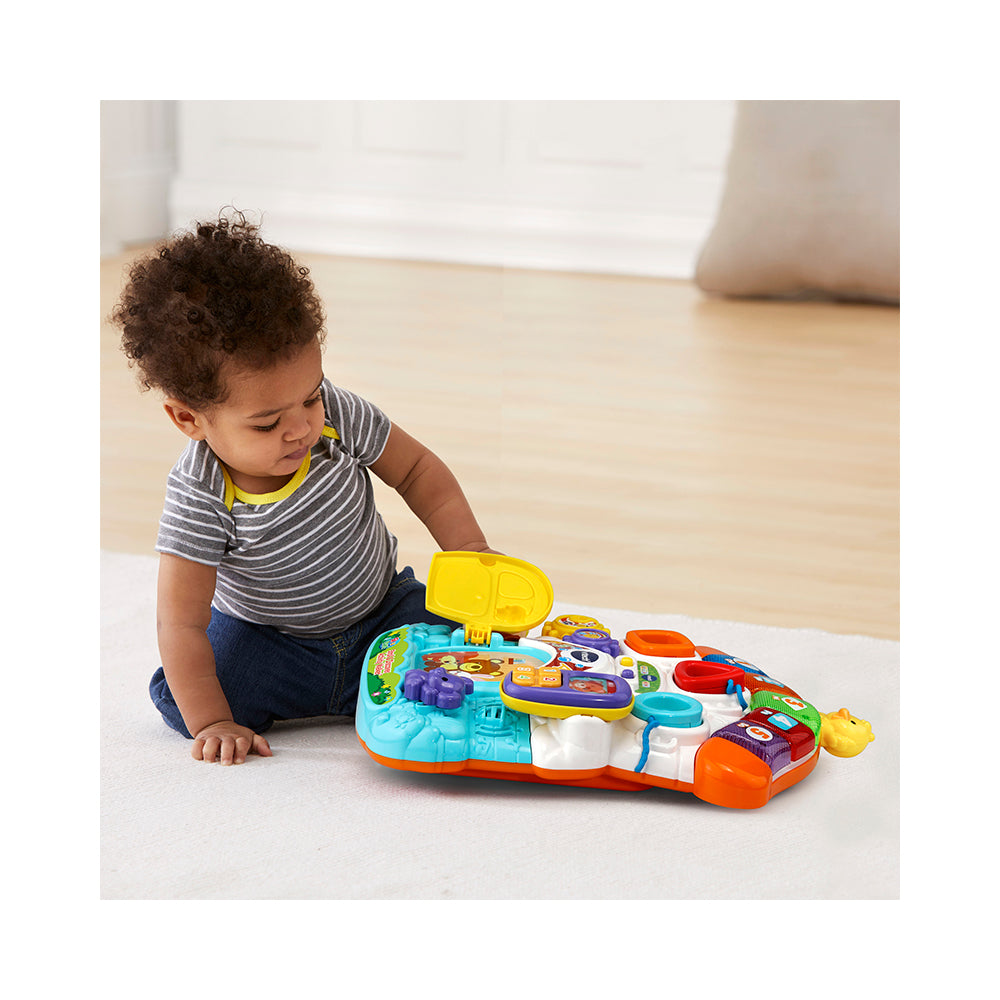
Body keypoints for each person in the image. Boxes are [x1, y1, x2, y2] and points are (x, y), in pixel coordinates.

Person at [112, 211, 496, 766]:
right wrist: (213, 720)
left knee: (475, 638)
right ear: (189, 419)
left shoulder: (335, 414)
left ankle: (368, 682)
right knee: (189, 696)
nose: (302, 428)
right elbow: (181, 622)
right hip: (275, 644)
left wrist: (471, 552)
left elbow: (416, 471)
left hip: (382, 615)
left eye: (310, 396)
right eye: (267, 423)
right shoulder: (200, 494)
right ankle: (358, 692)